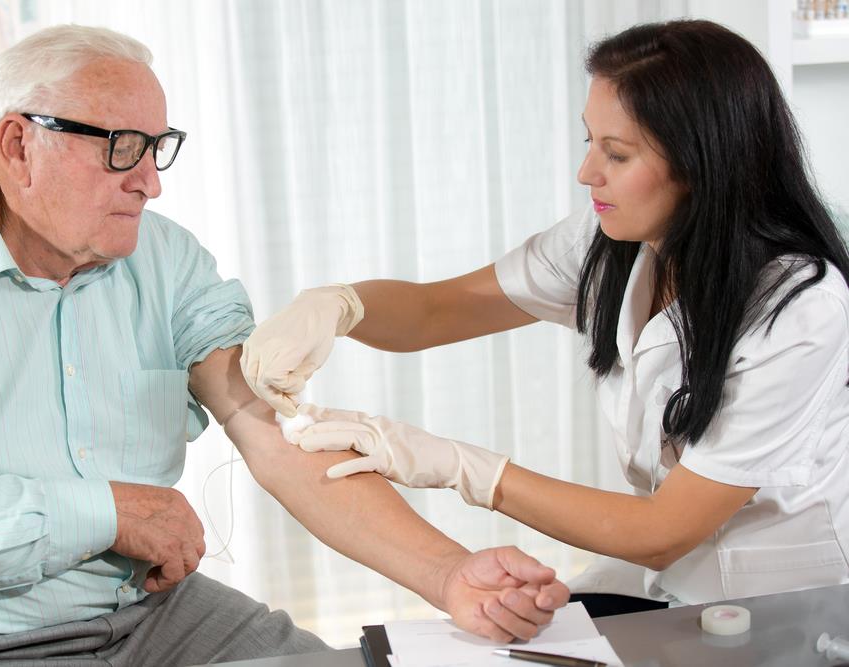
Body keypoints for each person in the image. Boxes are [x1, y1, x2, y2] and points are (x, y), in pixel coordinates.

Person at [0, 25, 570, 666]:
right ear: (18, 145)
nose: (152, 182)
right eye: (121, 149)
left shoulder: (164, 259)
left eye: (158, 148)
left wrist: (448, 574)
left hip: (157, 619)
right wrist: (107, 512)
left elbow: (278, 437)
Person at [241, 19, 849, 618]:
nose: (587, 173)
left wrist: (462, 467)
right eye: (590, 141)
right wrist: (339, 306)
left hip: (781, 599)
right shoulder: (612, 240)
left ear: (702, 163)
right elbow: (435, 311)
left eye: (617, 153)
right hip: (668, 577)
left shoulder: (798, 308)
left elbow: (665, 530)